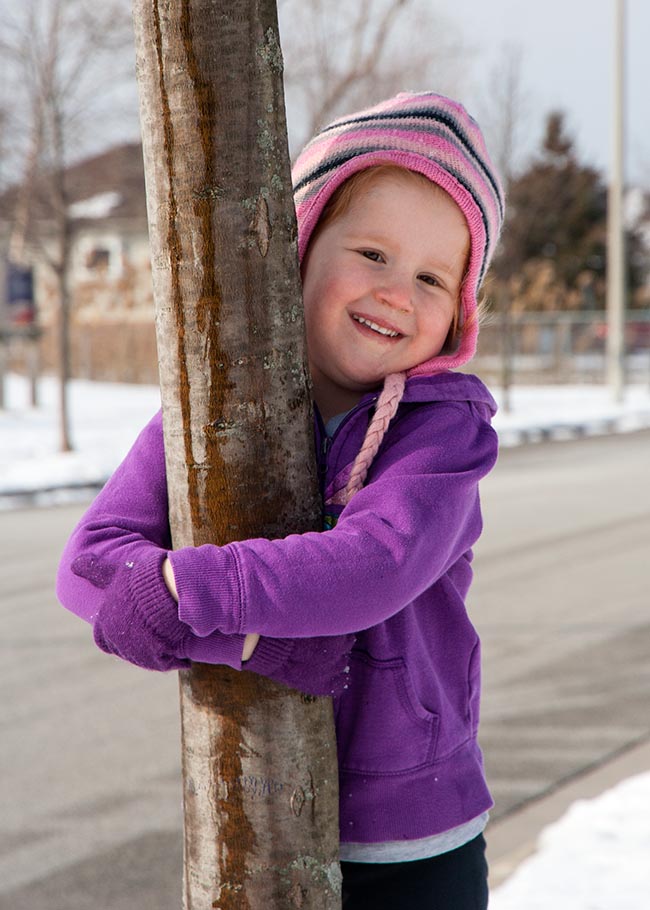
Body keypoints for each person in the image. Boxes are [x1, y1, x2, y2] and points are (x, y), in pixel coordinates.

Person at [57, 91, 505, 909]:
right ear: (299, 245)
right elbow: (90, 569)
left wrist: (189, 594)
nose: (398, 292)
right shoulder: (206, 409)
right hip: (250, 819)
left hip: (408, 846)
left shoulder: (445, 434)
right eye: (372, 253)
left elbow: (374, 566)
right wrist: (256, 646)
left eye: (434, 277)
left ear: (458, 318)